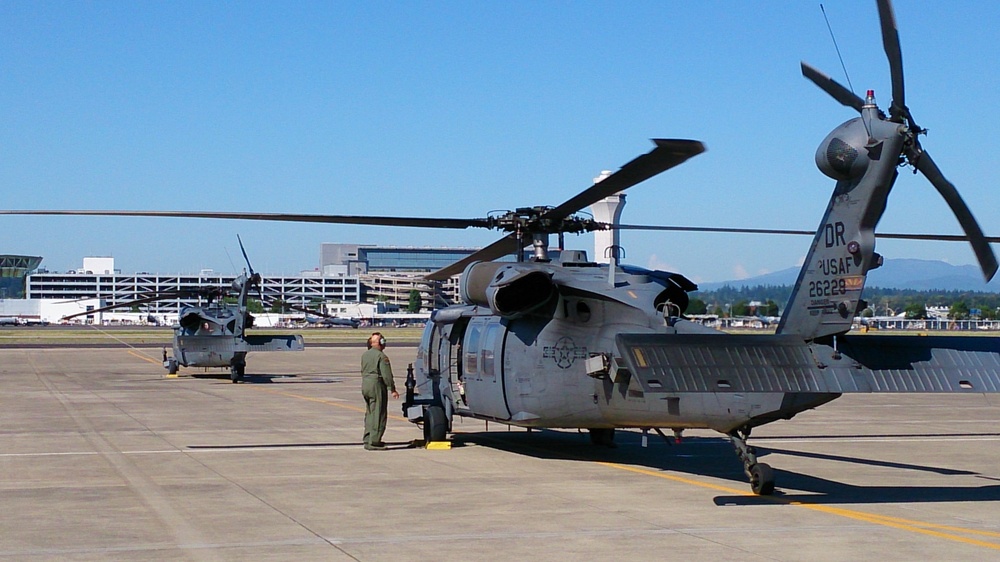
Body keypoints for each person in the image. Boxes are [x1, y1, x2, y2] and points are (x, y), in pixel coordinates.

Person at [361, 332, 398, 450]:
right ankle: (375, 441)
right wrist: (392, 389)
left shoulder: (365, 355)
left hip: (366, 384)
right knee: (378, 413)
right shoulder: (381, 357)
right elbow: (386, 375)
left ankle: (368, 438)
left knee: (370, 413)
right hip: (376, 385)